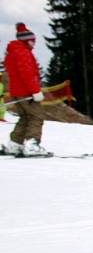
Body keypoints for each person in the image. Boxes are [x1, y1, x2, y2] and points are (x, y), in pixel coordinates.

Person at [3, 23, 49, 156]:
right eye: (32, 41)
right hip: (27, 92)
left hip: (16, 92)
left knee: (24, 117)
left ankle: (15, 144)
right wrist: (35, 91)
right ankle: (32, 144)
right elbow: (27, 74)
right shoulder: (23, 53)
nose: (34, 43)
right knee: (36, 116)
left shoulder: (12, 53)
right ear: (26, 40)